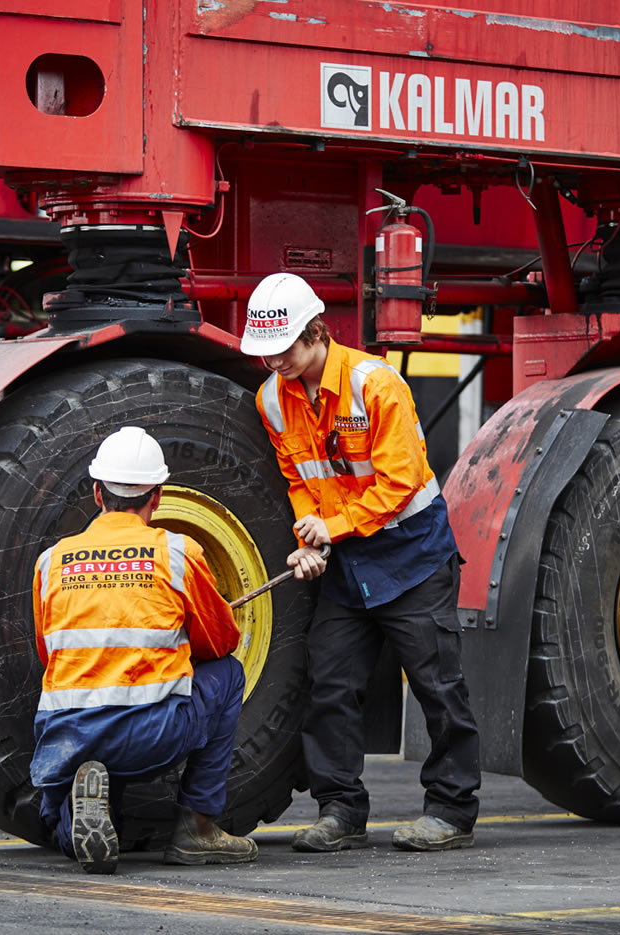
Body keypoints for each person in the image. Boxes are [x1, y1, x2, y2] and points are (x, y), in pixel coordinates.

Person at [241, 272, 482, 853]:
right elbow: (299, 476)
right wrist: (309, 536)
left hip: (412, 555)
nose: (275, 362)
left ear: (315, 333)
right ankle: (340, 809)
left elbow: (399, 482)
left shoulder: (377, 385)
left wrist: (334, 527)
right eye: (266, 353)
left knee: (436, 685)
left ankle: (451, 810)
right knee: (329, 683)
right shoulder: (272, 397)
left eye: (285, 350)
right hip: (347, 559)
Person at [29, 426, 258, 873]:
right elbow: (220, 643)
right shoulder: (176, 553)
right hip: (150, 737)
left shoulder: (51, 560)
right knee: (228, 673)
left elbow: (48, 654)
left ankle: (77, 819)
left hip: (67, 734)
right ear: (157, 496)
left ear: (97, 493)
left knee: (71, 803)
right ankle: (197, 829)